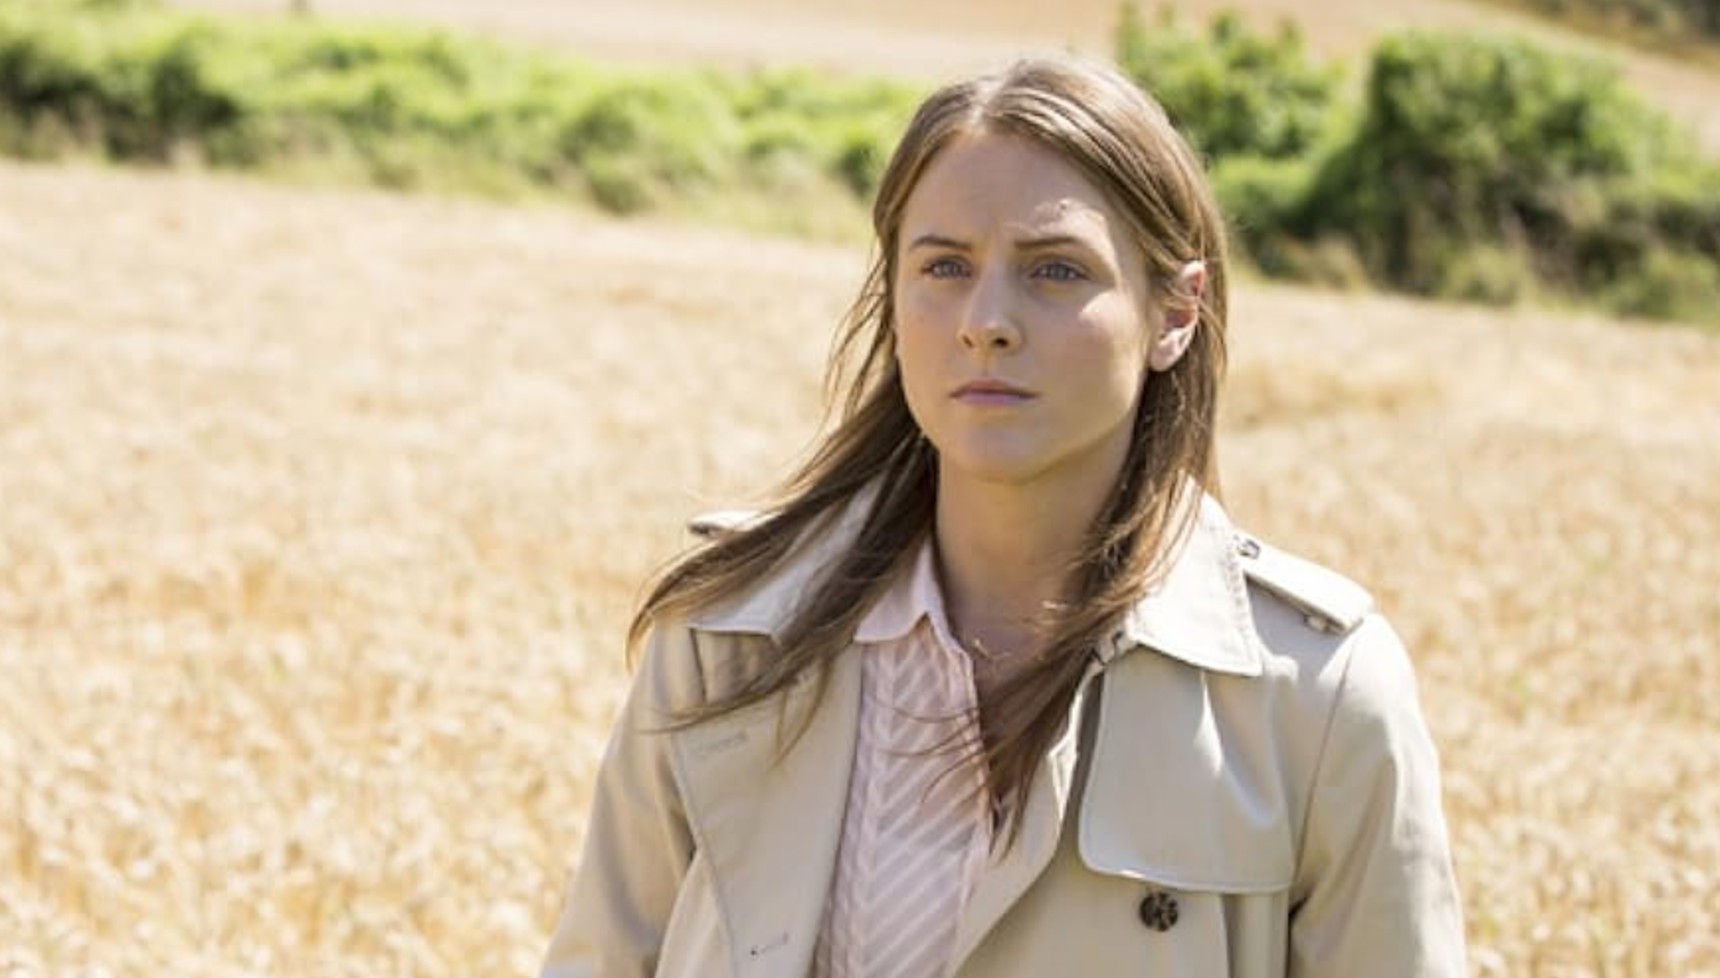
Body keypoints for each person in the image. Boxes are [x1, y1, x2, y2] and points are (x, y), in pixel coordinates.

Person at [538, 54, 1467, 978]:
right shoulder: (726, 631)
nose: (986, 321)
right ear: (894, 295)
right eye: (944, 265)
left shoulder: (1315, 695)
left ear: (1175, 313)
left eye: (1056, 271)